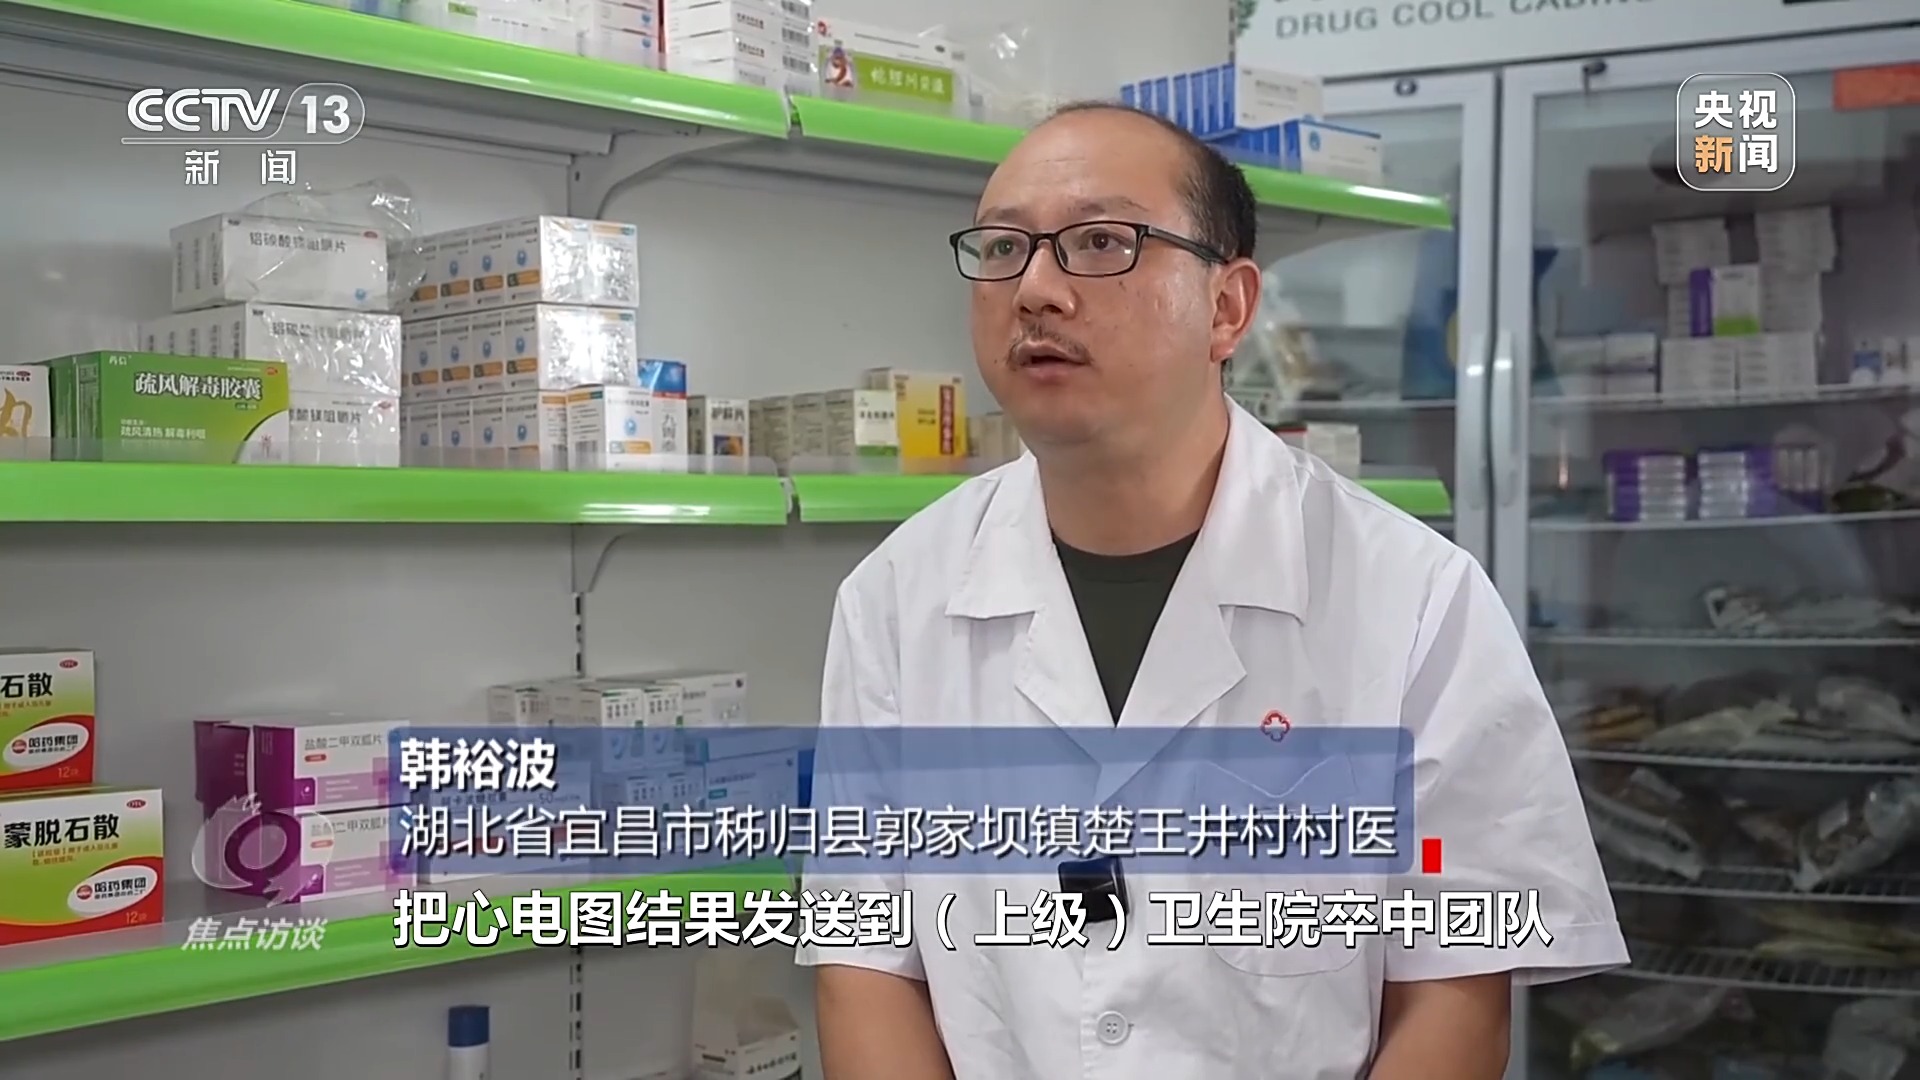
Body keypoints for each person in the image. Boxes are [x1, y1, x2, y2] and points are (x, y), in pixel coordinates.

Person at [795, 102, 1627, 1080]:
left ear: (1227, 308)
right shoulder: (896, 598)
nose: (1036, 290)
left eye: (1100, 242)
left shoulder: (1416, 601)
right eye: (1004, 248)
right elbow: (865, 961)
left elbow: (1454, 996)